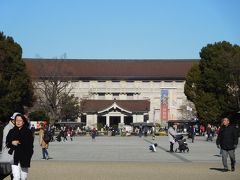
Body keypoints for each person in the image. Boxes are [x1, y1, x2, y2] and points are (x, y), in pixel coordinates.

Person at [6, 113, 34, 180]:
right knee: (16, 177)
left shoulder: (28, 132)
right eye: (17, 120)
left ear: (23, 122)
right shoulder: (11, 131)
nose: (18, 122)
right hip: (14, 156)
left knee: (23, 177)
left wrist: (20, 142)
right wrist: (11, 142)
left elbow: (30, 145)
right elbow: (7, 143)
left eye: (20, 120)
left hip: (25, 156)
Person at [0, 112, 20, 180]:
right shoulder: (8, 128)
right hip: (8, 156)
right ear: (13, 120)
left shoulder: (14, 127)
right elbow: (7, 142)